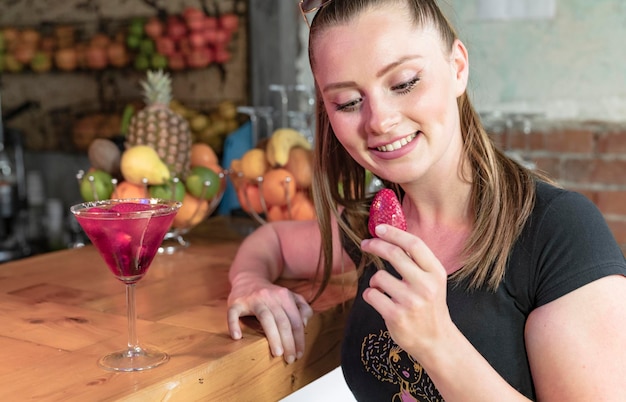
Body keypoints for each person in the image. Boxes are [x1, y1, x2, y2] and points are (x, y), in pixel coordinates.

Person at [227, 0, 626, 400]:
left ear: (457, 67)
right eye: (348, 102)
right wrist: (249, 282)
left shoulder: (558, 231)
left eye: (404, 83)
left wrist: (437, 343)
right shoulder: (377, 226)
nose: (379, 120)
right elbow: (273, 241)